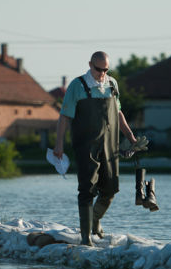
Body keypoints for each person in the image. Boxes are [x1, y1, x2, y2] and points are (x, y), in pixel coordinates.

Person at [53, 51, 137, 246]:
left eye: (106, 69)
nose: (102, 73)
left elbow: (118, 112)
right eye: (99, 69)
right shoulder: (77, 85)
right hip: (85, 144)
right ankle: (85, 238)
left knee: (111, 188)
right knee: (87, 189)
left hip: (110, 144)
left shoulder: (112, 84)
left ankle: (95, 221)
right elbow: (64, 116)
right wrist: (59, 145)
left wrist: (130, 136)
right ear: (90, 64)